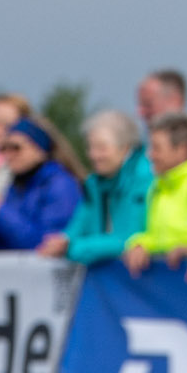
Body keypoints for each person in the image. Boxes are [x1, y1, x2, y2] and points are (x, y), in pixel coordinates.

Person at [123, 114, 187, 270]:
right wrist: (139, 244)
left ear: (181, 150)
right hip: (170, 290)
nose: (150, 155)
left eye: (157, 148)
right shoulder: (157, 187)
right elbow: (158, 237)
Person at [47, 110, 149, 262]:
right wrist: (63, 240)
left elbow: (128, 238)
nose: (93, 155)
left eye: (101, 148)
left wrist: (72, 247)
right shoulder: (94, 184)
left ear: (125, 148)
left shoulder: (144, 179)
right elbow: (78, 226)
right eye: (90, 147)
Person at [0, 118, 81, 251]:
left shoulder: (61, 185)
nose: (8, 155)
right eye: (4, 148)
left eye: (16, 148)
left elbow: (42, 245)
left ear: (40, 150)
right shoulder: (16, 185)